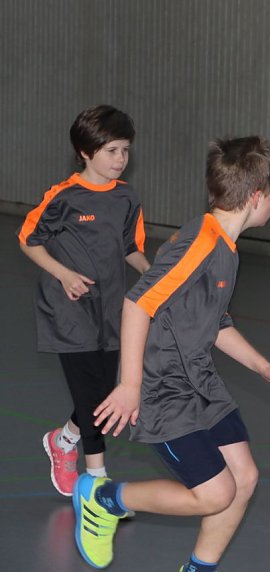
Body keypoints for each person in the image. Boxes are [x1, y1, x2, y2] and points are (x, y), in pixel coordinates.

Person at [70, 136, 270, 571]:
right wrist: (129, 385)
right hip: (163, 386)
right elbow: (137, 302)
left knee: (245, 478)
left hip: (199, 378)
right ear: (257, 197)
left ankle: (199, 568)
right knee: (215, 493)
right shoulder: (200, 241)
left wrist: (263, 367)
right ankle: (103, 498)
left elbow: (214, 323)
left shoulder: (227, 249)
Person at [17, 105, 150, 497]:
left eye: (125, 150)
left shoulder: (127, 197)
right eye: (112, 151)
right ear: (86, 152)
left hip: (112, 309)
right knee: (93, 399)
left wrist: (153, 273)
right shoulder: (64, 197)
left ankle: (63, 441)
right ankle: (96, 485)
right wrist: (63, 274)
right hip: (68, 309)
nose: (121, 159)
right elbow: (27, 239)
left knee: (106, 397)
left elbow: (131, 247)